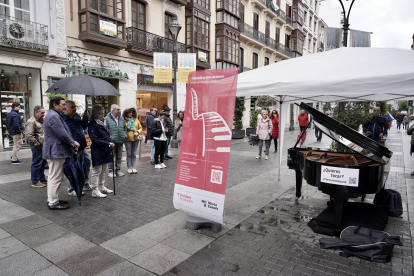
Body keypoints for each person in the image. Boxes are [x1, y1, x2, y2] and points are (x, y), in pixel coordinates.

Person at [43, 97, 80, 210]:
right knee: (56, 177)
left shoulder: (54, 115)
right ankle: (53, 202)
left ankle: (52, 199)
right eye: (63, 104)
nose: (65, 106)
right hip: (56, 151)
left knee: (53, 176)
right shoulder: (54, 116)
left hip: (55, 150)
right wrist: (72, 142)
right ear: (55, 105)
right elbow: (62, 133)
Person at [63, 101, 92, 196]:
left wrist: (85, 117)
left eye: (75, 106)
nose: (74, 109)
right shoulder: (63, 119)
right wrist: (71, 144)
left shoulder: (77, 116)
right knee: (74, 167)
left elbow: (83, 126)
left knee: (87, 162)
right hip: (72, 147)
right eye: (72, 107)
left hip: (82, 145)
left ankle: (85, 183)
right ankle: (71, 189)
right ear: (66, 108)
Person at [88, 106, 114, 198]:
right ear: (95, 114)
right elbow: (94, 139)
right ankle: (95, 189)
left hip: (105, 149)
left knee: (103, 170)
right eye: (100, 114)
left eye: (103, 113)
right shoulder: (92, 124)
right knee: (96, 170)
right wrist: (107, 143)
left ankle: (101, 186)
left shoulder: (103, 122)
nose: (103, 115)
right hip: (98, 150)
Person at [26, 106, 47, 188]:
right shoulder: (31, 121)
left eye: (44, 112)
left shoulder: (41, 120)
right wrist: (37, 144)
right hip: (38, 146)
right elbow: (29, 136)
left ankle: (41, 178)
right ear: (36, 112)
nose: (43, 114)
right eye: (42, 112)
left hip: (43, 145)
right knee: (37, 162)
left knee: (43, 162)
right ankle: (35, 181)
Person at [105, 104, 127, 178]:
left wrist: (125, 135)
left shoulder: (121, 119)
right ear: (113, 110)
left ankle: (118, 170)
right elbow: (105, 130)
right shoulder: (107, 119)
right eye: (118, 110)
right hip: (112, 141)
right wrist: (109, 138)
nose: (119, 111)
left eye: (119, 109)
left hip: (120, 140)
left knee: (119, 157)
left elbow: (125, 129)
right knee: (111, 156)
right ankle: (111, 171)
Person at [123, 107, 142, 174]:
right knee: (128, 153)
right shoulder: (124, 120)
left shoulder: (136, 120)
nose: (131, 113)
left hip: (135, 139)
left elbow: (140, 128)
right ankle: (129, 167)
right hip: (128, 139)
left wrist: (138, 132)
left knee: (134, 153)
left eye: (132, 112)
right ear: (126, 113)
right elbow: (122, 129)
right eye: (129, 112)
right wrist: (124, 133)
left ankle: (133, 167)